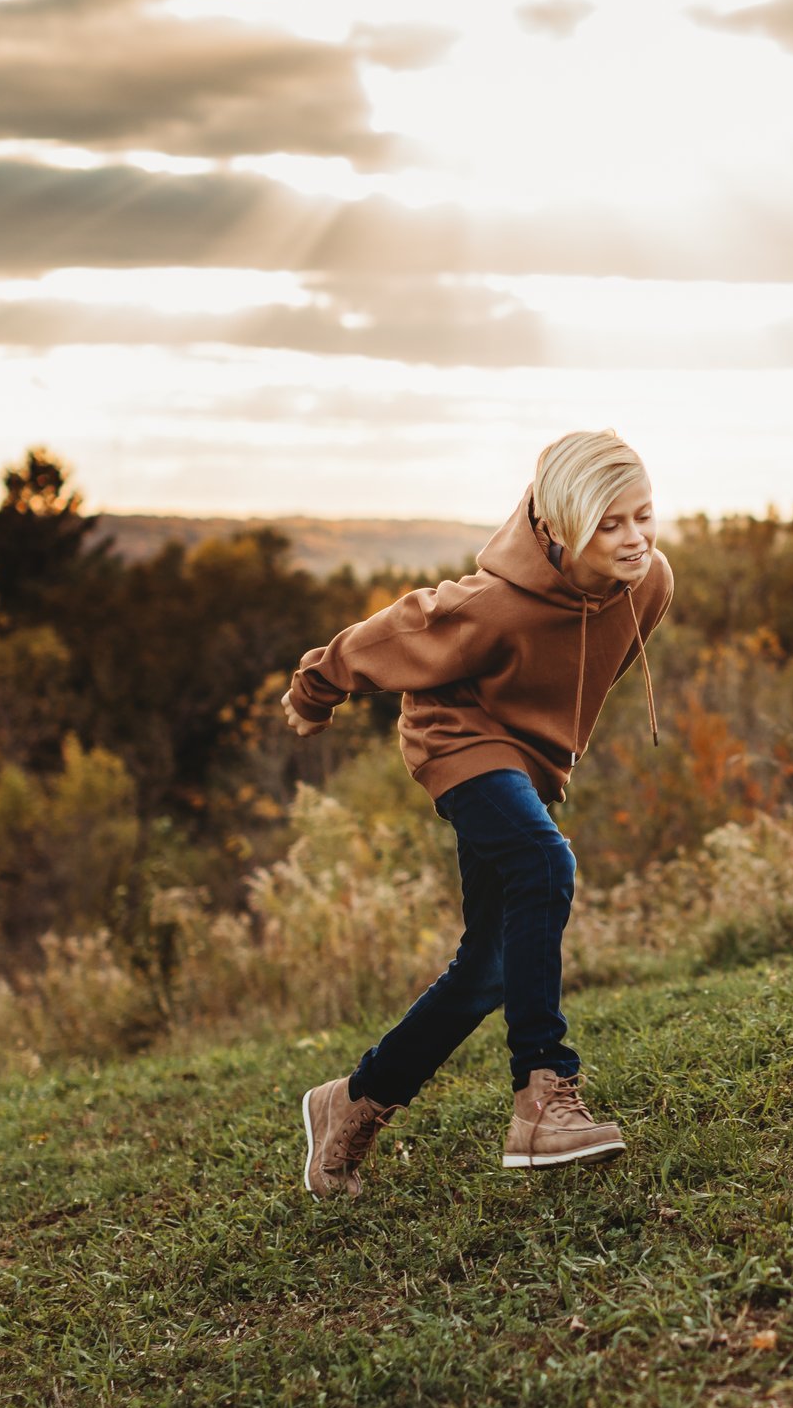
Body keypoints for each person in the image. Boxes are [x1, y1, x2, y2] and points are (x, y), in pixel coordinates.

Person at [283, 430, 671, 1196]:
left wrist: (549, 752)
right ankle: (542, 1092)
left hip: (524, 765)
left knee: (487, 967)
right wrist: (313, 688)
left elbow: (589, 668)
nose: (635, 539)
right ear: (560, 526)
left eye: (643, 516)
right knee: (543, 861)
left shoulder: (650, 582)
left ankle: (350, 1103)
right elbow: (395, 630)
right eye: (610, 523)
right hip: (457, 741)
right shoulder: (492, 605)